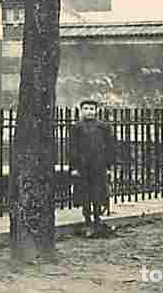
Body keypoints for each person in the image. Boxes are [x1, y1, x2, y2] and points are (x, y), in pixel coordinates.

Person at [69, 99, 117, 237]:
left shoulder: (103, 127)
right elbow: (72, 148)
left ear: (96, 111)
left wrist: (108, 166)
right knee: (84, 193)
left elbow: (110, 147)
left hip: (99, 165)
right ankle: (87, 220)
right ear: (81, 110)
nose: (89, 111)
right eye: (86, 108)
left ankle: (97, 219)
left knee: (98, 192)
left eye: (92, 109)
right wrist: (74, 167)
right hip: (83, 166)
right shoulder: (76, 127)